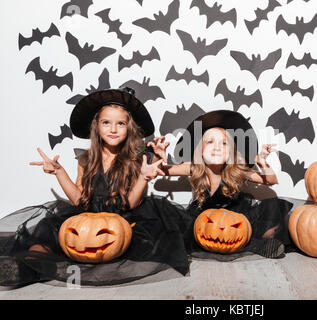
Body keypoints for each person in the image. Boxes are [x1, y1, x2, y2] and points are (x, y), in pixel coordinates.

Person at [0, 88, 191, 286]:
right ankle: (28, 267)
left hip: (125, 218)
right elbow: (78, 200)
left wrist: (143, 177)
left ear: (130, 128)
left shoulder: (136, 160)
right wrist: (59, 171)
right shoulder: (86, 159)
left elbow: (132, 203)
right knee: (48, 234)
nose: (113, 129)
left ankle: (50, 265)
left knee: (143, 242)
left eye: (121, 124)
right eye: (106, 122)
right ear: (96, 126)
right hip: (89, 217)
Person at [153, 110, 294, 260]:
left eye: (224, 143)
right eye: (210, 142)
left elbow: (271, 180)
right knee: (172, 221)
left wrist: (262, 161)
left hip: (236, 218)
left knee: (271, 208)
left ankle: (255, 245)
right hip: (204, 219)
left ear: (231, 152)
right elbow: (159, 171)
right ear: (200, 149)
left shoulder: (236, 171)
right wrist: (158, 156)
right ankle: (248, 245)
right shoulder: (193, 167)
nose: (217, 147)